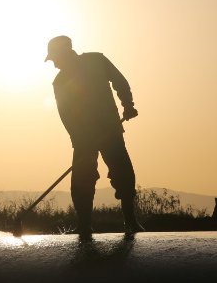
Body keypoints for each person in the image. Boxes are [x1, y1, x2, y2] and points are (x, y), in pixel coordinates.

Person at [45, 35, 144, 237]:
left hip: (110, 131)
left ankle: (130, 221)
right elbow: (66, 115)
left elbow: (119, 81)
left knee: (123, 174)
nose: (54, 64)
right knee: (82, 180)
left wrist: (128, 105)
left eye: (55, 59)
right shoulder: (60, 82)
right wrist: (79, 139)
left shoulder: (96, 60)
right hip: (84, 139)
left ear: (64, 53)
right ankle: (84, 225)